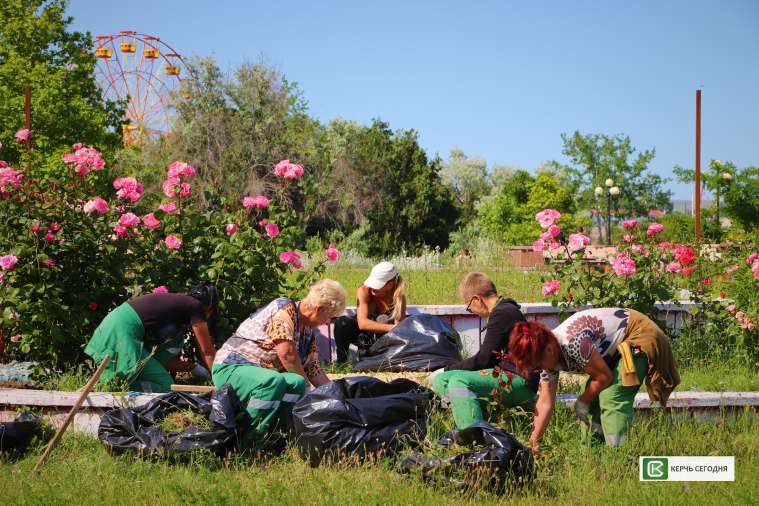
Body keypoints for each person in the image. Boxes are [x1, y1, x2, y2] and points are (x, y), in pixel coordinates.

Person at [508, 308, 680, 451]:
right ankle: (591, 456)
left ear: (549, 350)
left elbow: (604, 378)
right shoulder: (547, 357)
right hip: (613, 351)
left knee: (612, 396)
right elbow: (545, 402)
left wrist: (582, 401)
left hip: (637, 334)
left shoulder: (574, 343)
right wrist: (533, 442)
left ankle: (617, 460)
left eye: (537, 365)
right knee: (588, 393)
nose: (539, 370)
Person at [212, 279, 347, 442]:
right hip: (230, 367)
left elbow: (313, 369)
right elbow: (287, 354)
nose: (328, 323)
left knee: (296, 382)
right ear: (319, 309)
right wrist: (310, 391)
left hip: (261, 376)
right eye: (330, 317)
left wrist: (337, 396)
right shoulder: (284, 309)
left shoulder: (307, 333)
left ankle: (279, 437)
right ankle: (250, 438)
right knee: (273, 381)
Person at [431, 272, 539, 429]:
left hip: (520, 380)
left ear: (477, 299)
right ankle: (480, 419)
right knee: (441, 380)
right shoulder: (502, 312)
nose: (472, 311)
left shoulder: (502, 313)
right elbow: (488, 359)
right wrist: (444, 372)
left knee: (458, 381)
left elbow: (483, 360)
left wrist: (447, 368)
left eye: (469, 307)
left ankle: (473, 435)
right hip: (504, 375)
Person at [84, 282, 219, 393]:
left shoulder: (175, 316)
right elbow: (206, 350)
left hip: (114, 325)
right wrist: (219, 382)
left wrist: (192, 367)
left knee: (159, 381)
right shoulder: (195, 306)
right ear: (209, 308)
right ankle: (118, 390)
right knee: (166, 386)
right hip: (123, 330)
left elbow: (158, 362)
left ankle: (116, 388)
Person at [332, 261, 407, 363]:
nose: (372, 288)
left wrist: (391, 329)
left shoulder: (399, 299)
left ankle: (373, 359)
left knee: (383, 324)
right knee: (342, 323)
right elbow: (362, 324)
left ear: (390, 285)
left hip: (383, 340)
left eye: (377, 284)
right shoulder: (363, 290)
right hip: (363, 335)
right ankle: (342, 362)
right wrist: (392, 328)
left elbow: (400, 333)